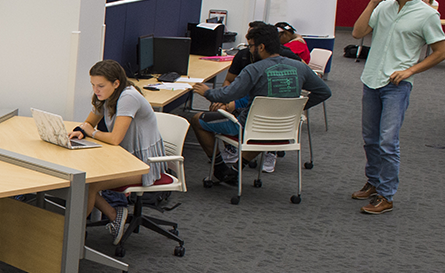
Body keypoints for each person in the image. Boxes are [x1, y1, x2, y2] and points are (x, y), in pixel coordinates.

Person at [349, 0, 445, 214]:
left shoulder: (427, 14)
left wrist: (410, 70)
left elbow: (440, 52)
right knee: (370, 139)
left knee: (388, 142)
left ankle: (386, 195)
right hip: (371, 80)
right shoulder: (382, 7)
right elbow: (357, 33)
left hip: (397, 85)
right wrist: (373, 2)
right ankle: (373, 182)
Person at [190, 26, 331, 186]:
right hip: (284, 130)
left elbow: (227, 95)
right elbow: (324, 92)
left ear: (261, 47)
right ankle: (235, 171)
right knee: (261, 129)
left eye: (250, 46)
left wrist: (206, 92)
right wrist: (298, 107)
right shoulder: (300, 67)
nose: (249, 50)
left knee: (196, 120)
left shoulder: (253, 69)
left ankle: (220, 169)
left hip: (250, 128)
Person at [68, 60, 168, 243]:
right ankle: (114, 214)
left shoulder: (128, 97)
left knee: (90, 183)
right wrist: (80, 131)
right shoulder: (107, 96)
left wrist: (92, 132)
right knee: (84, 180)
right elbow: (88, 122)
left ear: (116, 83)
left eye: (100, 86)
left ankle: (71, 238)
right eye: (93, 85)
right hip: (125, 157)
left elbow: (115, 139)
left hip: (144, 163)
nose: (96, 90)